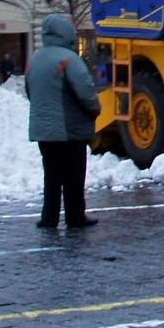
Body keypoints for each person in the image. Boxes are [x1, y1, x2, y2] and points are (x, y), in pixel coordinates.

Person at [25, 12, 101, 229]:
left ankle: (49, 217)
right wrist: (95, 110)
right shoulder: (70, 60)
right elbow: (86, 94)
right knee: (74, 176)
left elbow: (31, 92)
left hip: (43, 131)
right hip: (70, 130)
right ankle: (75, 216)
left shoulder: (35, 60)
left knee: (51, 174)